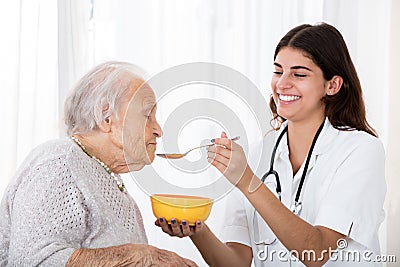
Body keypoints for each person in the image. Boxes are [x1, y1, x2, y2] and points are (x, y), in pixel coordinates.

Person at [157, 23, 386, 266]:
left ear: (332, 86)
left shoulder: (360, 150)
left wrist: (248, 182)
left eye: (299, 74)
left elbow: (317, 253)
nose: (281, 84)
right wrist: (196, 229)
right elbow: (236, 262)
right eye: (278, 72)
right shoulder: (257, 155)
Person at [0, 61, 197, 266]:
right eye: (148, 115)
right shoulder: (59, 163)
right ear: (106, 117)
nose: (159, 130)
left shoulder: (104, 174)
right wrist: (143, 256)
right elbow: (31, 261)